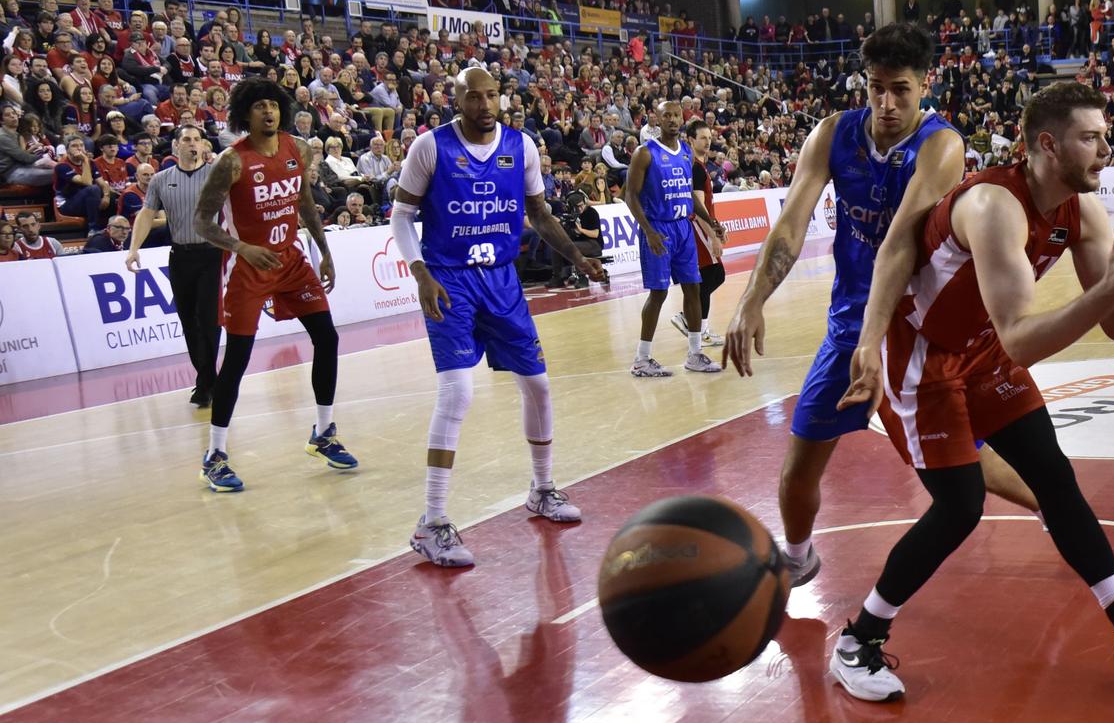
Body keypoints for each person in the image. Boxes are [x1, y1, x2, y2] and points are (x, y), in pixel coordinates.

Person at [826, 81, 1114, 702]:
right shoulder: (994, 207)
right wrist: (1109, 292)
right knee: (959, 507)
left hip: (983, 350)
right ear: (1047, 144)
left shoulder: (1083, 210)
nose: (1105, 149)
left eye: (1104, 136)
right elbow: (1023, 341)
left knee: (1053, 479)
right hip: (923, 356)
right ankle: (858, 640)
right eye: (1090, 138)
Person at [723, 22, 1038, 586]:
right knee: (797, 471)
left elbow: (897, 245)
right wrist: (752, 300)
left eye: (900, 90)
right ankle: (797, 558)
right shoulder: (830, 135)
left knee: (962, 463)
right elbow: (791, 224)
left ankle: (1053, 506)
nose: (887, 103)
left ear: (925, 86)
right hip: (850, 327)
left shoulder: (941, 146)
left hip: (916, 328)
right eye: (876, 89)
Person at [392, 66, 608, 568]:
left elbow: (540, 214)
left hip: (503, 282)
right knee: (458, 392)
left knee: (539, 387)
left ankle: (542, 489)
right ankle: (432, 522)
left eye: (492, 96)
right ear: (458, 100)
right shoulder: (430, 147)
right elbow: (401, 215)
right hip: (450, 280)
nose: (485, 105)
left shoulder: (523, 146)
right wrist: (421, 274)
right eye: (475, 97)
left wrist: (578, 258)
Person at [191, 76, 356, 494]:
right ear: (245, 113)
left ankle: (323, 433)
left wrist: (324, 251)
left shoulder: (296, 148)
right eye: (259, 106)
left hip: (291, 260)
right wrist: (241, 247)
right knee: (238, 359)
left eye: (274, 105)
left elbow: (303, 203)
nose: (269, 111)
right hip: (247, 267)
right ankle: (215, 456)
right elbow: (201, 222)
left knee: (328, 338)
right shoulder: (230, 161)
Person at [625, 102, 719, 376]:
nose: (672, 120)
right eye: (666, 115)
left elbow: (689, 194)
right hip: (659, 227)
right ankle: (642, 359)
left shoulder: (687, 153)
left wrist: (711, 222)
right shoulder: (645, 153)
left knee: (693, 288)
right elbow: (630, 195)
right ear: (657, 119)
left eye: (677, 115)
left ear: (682, 118)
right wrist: (648, 231)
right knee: (659, 292)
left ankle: (695, 353)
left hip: (684, 228)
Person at [129, 126, 219, 407]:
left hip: (213, 254)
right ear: (175, 147)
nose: (193, 144)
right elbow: (146, 215)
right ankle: (206, 379)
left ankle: (206, 383)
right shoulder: (160, 179)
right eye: (187, 140)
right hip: (180, 256)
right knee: (188, 321)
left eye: (197, 139)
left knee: (208, 319)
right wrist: (133, 249)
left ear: (203, 145)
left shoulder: (217, 175)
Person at [673, 120, 725, 348]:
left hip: (700, 226)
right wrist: (713, 235)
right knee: (715, 274)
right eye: (703, 138)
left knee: (707, 276)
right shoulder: (694, 167)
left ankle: (701, 328)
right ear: (691, 140)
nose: (708, 141)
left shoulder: (699, 166)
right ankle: (688, 316)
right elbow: (698, 206)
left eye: (709, 137)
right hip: (697, 227)